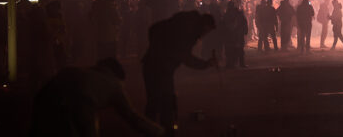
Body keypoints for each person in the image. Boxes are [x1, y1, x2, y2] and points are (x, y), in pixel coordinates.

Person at [30, 57, 163, 137]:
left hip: (44, 100)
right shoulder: (113, 84)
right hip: (80, 104)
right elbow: (131, 116)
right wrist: (157, 131)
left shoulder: (74, 70)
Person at [142, 11, 216, 135]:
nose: (205, 35)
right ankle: (162, 131)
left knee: (157, 101)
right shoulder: (188, 32)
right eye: (207, 32)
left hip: (156, 66)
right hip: (159, 68)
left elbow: (153, 30)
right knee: (163, 101)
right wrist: (205, 64)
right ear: (204, 26)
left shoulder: (182, 25)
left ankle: (153, 130)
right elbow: (186, 57)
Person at [222, 1, 248, 68]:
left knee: (231, 50)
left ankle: (231, 64)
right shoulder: (237, 13)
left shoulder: (227, 14)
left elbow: (244, 22)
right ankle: (238, 63)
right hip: (235, 35)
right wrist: (245, 30)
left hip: (234, 35)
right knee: (237, 49)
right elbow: (244, 22)